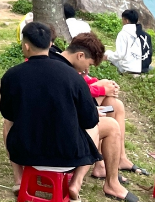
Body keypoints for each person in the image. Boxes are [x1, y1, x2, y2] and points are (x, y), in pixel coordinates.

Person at [0, 22, 137, 201]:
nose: (87, 70)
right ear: (50, 44)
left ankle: (19, 179)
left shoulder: (11, 76)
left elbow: (8, 113)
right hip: (67, 160)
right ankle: (78, 182)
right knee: (102, 124)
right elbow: (89, 121)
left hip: (25, 155)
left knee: (9, 121)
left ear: (26, 46)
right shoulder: (74, 78)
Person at [58, 33, 149, 179]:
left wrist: (100, 84)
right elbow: (74, 92)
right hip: (67, 131)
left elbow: (82, 84)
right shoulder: (64, 70)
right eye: (89, 64)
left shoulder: (71, 66)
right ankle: (101, 165)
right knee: (110, 123)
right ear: (80, 56)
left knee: (115, 105)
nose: (87, 69)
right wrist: (99, 89)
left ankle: (120, 157)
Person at [105, 9, 152, 75]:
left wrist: (107, 57)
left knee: (108, 53)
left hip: (128, 69)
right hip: (144, 68)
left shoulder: (123, 34)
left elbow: (119, 55)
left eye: (123, 19)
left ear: (126, 21)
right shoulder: (146, 36)